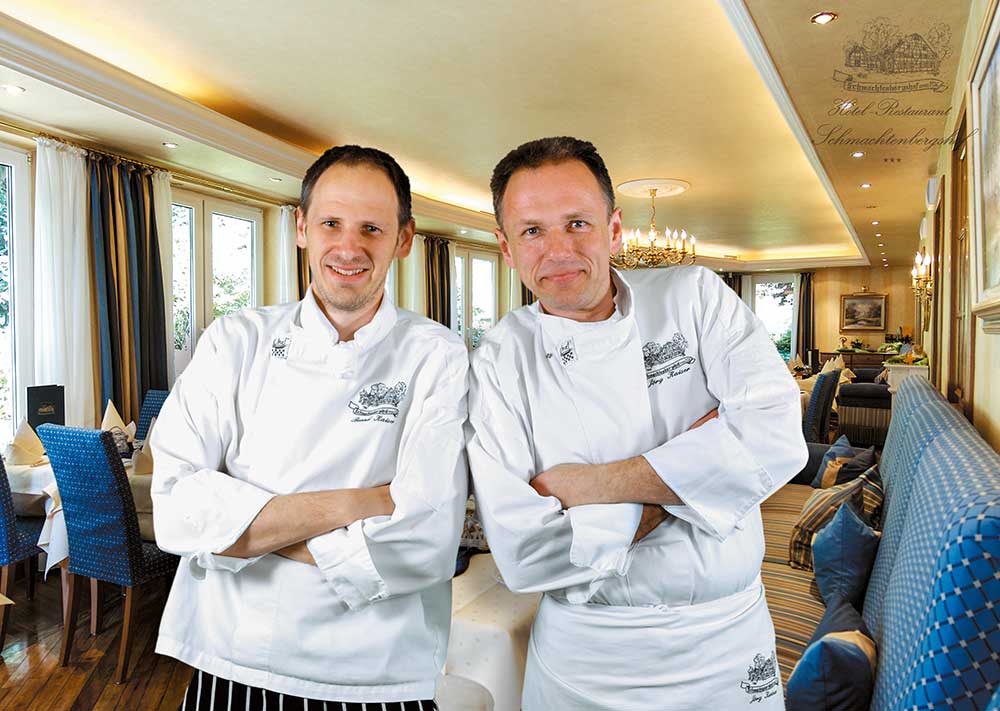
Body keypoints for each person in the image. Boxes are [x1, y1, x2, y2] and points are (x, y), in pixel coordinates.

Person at [466, 136, 808, 709]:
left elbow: (776, 437)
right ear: (506, 246)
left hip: (726, 647)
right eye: (532, 231)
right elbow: (524, 553)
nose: (558, 250)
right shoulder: (500, 358)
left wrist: (591, 485)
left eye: (577, 223)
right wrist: (698, 470)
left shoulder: (694, 297)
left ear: (614, 229)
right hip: (587, 661)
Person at [152, 145, 468, 711]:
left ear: (403, 238)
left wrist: (240, 533)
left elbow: (426, 540)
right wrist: (364, 501)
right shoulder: (234, 340)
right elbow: (176, 509)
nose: (349, 247)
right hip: (232, 654)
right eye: (331, 223)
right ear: (302, 227)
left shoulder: (438, 356)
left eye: (372, 228)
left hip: (379, 670)